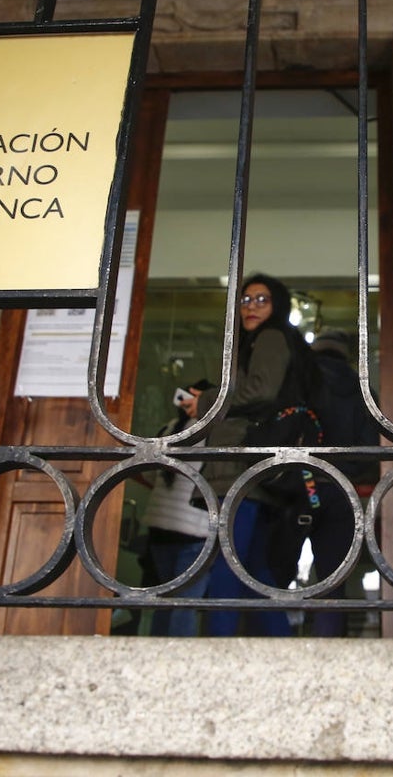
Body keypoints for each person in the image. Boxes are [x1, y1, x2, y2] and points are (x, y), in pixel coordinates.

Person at [181, 273, 319, 636]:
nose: (251, 307)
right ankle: (281, 643)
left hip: (241, 469)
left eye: (261, 300)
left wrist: (207, 402)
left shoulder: (271, 337)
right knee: (254, 568)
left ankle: (217, 649)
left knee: (228, 564)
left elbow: (261, 390)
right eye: (245, 300)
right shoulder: (261, 342)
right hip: (249, 470)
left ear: (278, 306)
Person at [267, 328, 381, 636]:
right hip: (339, 489)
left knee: (274, 576)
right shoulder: (362, 389)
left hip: (296, 488)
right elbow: (370, 448)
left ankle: (273, 644)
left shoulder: (299, 379)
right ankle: (327, 649)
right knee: (332, 580)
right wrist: (347, 471)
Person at [142, 381, 214, 637]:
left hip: (160, 525)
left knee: (164, 601)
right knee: (185, 604)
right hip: (193, 528)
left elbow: (149, 474)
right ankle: (178, 661)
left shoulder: (169, 430)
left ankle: (156, 656)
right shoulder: (211, 432)